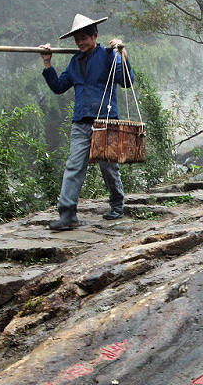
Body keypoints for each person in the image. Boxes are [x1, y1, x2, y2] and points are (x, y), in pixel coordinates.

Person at [39, 14, 133, 230]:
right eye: (77, 39)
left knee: (108, 166)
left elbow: (126, 81)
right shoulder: (74, 62)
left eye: (84, 38)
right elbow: (58, 86)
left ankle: (117, 204)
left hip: (106, 120)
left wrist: (122, 54)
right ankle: (68, 214)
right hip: (81, 121)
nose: (80, 42)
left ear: (95, 36)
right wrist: (47, 63)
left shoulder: (109, 56)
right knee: (74, 165)